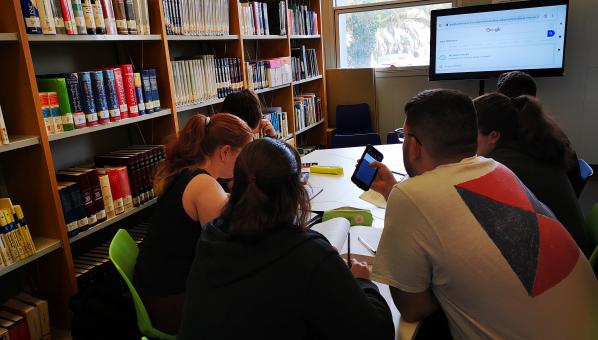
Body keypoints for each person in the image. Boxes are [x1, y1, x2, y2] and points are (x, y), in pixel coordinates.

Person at [368, 89, 598, 339]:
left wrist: (366, 282)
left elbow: (413, 309)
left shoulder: (410, 195)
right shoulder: (497, 169)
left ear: (413, 145)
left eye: (405, 135)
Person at [178, 138, 394, 340]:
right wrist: (363, 282)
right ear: (297, 193)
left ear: (235, 186)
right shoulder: (308, 253)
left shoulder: (210, 238)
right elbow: (378, 332)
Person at [134, 113, 253, 333]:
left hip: (157, 294)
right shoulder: (205, 186)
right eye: (244, 156)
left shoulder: (185, 173)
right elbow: (229, 254)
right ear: (225, 152)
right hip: (173, 307)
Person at [474, 93, 591, 257]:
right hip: (573, 254)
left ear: (493, 136)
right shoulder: (527, 151)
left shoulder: (504, 166)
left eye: (472, 132)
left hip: (561, 261)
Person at [496, 71, 585, 196]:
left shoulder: (513, 135)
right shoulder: (550, 128)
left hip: (545, 207)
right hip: (563, 200)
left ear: (502, 98)